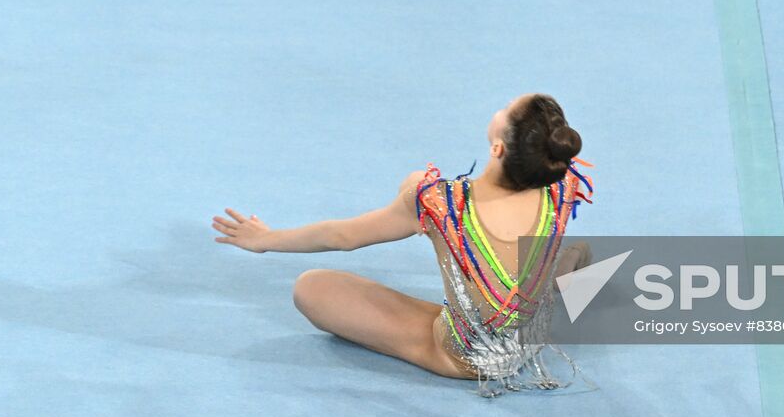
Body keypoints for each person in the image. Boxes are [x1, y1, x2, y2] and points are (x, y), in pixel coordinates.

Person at [211, 93, 594, 395]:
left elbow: (342, 237)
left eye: (505, 108)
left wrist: (265, 239)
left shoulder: (442, 202)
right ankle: (548, 302)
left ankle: (452, 327)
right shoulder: (563, 184)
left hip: (468, 357)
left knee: (311, 287)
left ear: (497, 149)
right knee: (572, 255)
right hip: (531, 336)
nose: (500, 108)